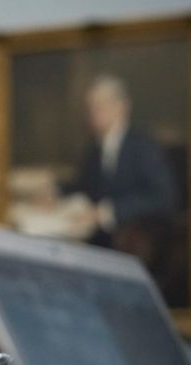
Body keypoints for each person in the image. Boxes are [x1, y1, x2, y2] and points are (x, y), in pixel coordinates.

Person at [65, 74, 176, 248]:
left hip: (135, 240)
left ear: (121, 106)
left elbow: (163, 198)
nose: (93, 114)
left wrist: (107, 212)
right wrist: (56, 191)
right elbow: (84, 185)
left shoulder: (142, 145)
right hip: (97, 238)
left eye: (99, 106)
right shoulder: (94, 148)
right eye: (90, 108)